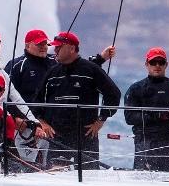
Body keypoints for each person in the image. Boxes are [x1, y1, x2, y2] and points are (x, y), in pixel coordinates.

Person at [33, 31, 121, 169]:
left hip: (86, 135)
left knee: (89, 177)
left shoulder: (91, 70)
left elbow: (113, 94)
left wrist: (101, 120)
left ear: (72, 48)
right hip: (58, 135)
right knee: (56, 176)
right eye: (55, 47)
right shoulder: (52, 73)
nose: (55, 50)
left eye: (58, 47)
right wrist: (43, 123)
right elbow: (37, 100)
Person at [4, 29, 117, 104]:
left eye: (45, 44)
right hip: (25, 123)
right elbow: (5, 93)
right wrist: (16, 118)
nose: (43, 47)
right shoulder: (16, 65)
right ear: (27, 46)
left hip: (49, 123)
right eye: (39, 44)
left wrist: (101, 58)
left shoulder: (56, 60)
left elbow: (80, 68)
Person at [124, 47, 169, 171]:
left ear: (166, 65)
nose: (157, 65)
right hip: (145, 140)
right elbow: (129, 117)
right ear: (147, 64)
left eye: (161, 62)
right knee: (143, 177)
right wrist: (156, 115)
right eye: (153, 62)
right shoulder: (136, 88)